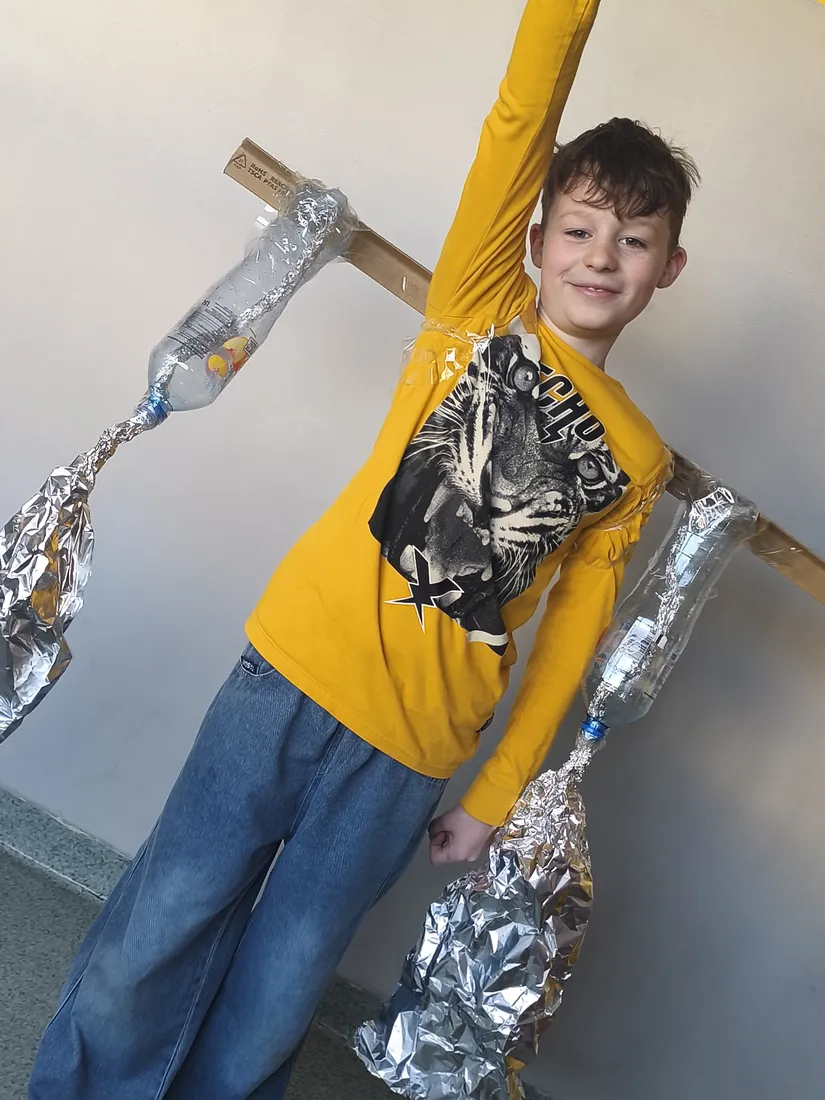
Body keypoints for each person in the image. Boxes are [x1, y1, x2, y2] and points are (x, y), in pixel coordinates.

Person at [29, 1, 698, 1097]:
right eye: (579, 228)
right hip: (288, 672)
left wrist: (496, 792)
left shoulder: (638, 458)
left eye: (634, 240)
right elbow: (518, 123)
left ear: (667, 266)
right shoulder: (476, 308)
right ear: (535, 241)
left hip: (410, 750)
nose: (601, 255)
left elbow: (572, 640)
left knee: (284, 982)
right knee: (164, 918)